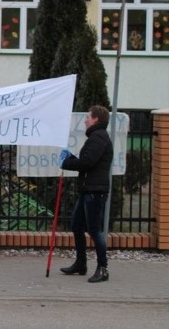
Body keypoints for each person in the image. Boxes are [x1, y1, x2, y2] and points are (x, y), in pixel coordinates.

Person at [59, 105, 114, 283]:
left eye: (88, 117)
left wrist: (67, 162)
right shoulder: (96, 137)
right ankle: (81, 264)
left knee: (94, 230)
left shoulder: (98, 137)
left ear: (96, 119)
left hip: (95, 192)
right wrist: (72, 159)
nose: (85, 120)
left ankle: (103, 268)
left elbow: (88, 162)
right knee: (76, 225)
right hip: (88, 190)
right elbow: (87, 161)